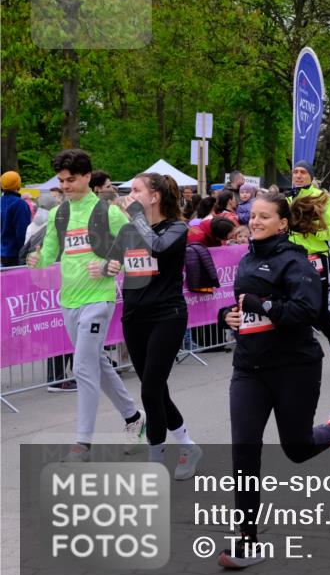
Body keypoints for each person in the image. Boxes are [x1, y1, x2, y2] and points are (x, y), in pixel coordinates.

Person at [220, 191, 330, 569]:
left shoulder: (296, 262)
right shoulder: (248, 259)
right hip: (248, 369)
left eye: (265, 217)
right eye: (253, 216)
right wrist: (228, 318)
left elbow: (306, 311)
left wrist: (260, 305)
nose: (257, 221)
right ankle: (246, 541)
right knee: (244, 452)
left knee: (296, 449)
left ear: (283, 224)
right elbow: (242, 310)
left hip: (294, 367)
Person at [27, 149, 146, 461]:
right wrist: (35, 261)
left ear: (87, 177)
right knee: (98, 363)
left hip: (98, 299)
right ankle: (134, 418)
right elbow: (49, 256)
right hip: (68, 301)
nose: (65, 186)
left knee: (82, 366)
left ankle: (82, 444)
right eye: (62, 181)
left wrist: (110, 264)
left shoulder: (108, 212)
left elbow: (137, 247)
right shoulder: (58, 215)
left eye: (71, 180)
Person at [104, 173, 202, 477]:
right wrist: (107, 265)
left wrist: (134, 214)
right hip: (135, 316)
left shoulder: (176, 228)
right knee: (157, 390)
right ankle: (187, 445)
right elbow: (115, 261)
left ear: (155, 196)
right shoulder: (130, 230)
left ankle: (155, 460)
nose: (130, 195)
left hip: (167, 315)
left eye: (136, 190)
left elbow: (158, 247)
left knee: (149, 390)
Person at [287, 161, 330, 368]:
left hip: (315, 257)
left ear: (311, 177)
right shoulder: (286, 198)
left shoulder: (322, 199)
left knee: (320, 309)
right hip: (291, 258)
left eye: (303, 172)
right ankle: (299, 352)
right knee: (292, 305)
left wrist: (312, 230)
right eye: (295, 172)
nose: (298, 175)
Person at [1, 171, 32, 267]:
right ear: (18, 185)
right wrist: (26, 254)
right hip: (16, 254)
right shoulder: (19, 204)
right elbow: (23, 233)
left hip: (3, 252)